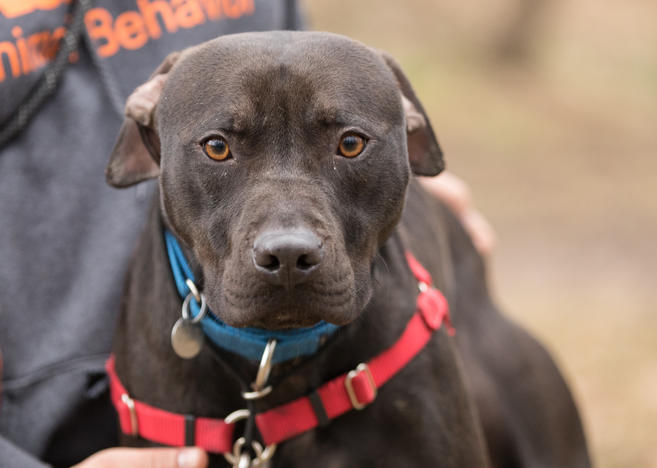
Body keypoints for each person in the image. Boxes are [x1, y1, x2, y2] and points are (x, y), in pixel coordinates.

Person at [0, 2, 493, 466]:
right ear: (146, 137)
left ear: (412, 137)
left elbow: (299, 73)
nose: (287, 241)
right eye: (218, 148)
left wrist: (382, 169)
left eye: (350, 144)